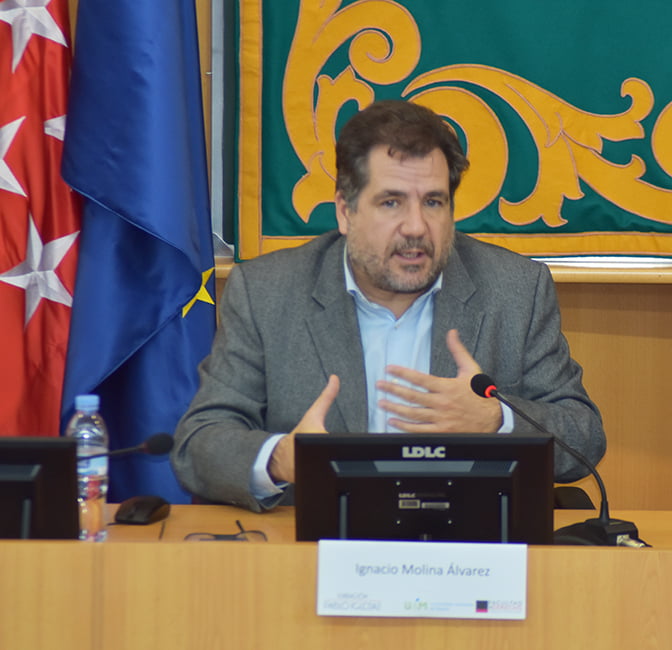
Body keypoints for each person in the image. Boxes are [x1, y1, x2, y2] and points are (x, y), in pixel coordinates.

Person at [171, 99, 606, 512]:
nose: (416, 227)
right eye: (391, 202)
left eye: (433, 202)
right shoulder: (267, 293)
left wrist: (497, 419)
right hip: (320, 546)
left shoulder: (514, 290)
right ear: (345, 211)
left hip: (466, 542)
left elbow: (584, 436)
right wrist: (282, 458)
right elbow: (199, 443)